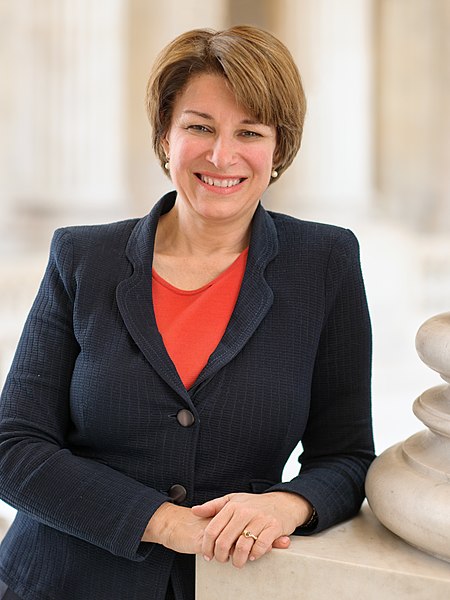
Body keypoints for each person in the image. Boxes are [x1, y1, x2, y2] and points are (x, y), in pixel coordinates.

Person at [0, 25, 374, 600]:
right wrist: (163, 522)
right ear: (165, 136)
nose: (221, 155)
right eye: (199, 127)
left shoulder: (324, 262)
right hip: (58, 582)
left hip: (232, 586)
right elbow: (13, 447)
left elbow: (346, 457)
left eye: (248, 132)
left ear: (278, 148)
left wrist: (288, 503)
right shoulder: (82, 256)